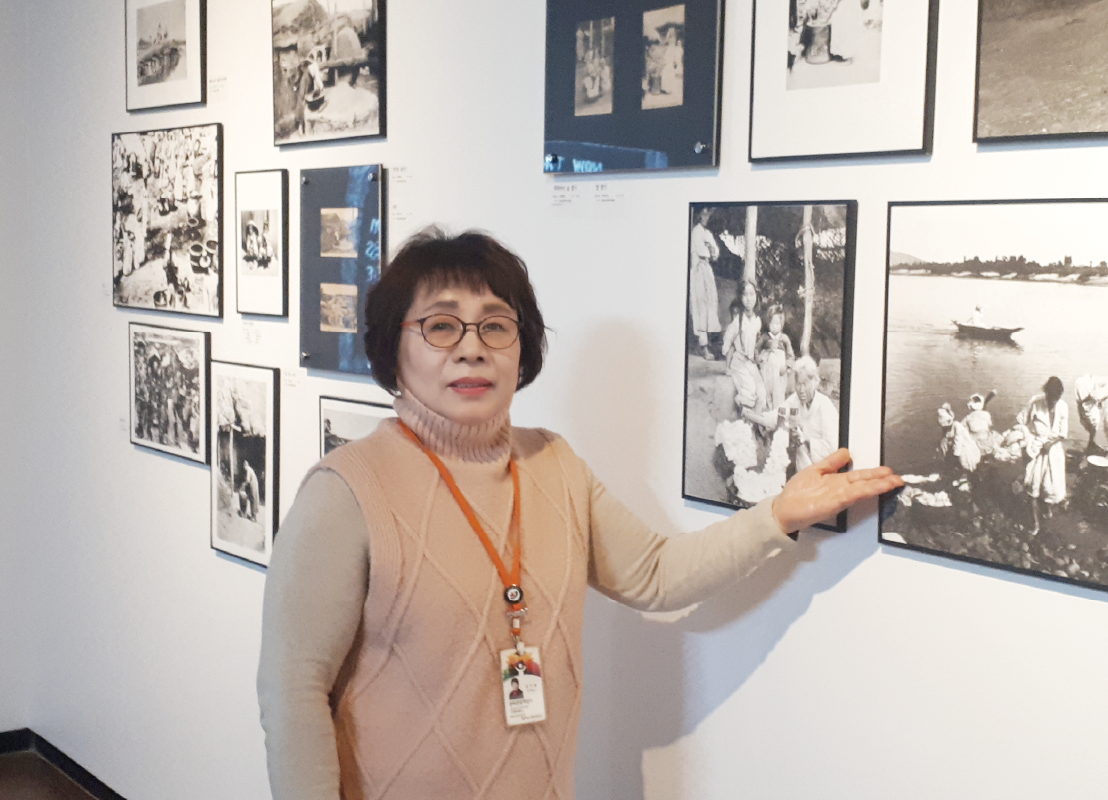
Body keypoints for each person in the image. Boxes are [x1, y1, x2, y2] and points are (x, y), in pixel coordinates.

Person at [256, 228, 902, 800]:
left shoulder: (553, 464)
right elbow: (293, 692)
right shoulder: (346, 491)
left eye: (495, 325)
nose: (472, 348)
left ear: (522, 346)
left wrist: (779, 513)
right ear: (392, 348)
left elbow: (656, 573)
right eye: (441, 325)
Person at [1017, 377, 1069, 535]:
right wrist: (1025, 439)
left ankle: (1047, 510)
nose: (1053, 401)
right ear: (1046, 393)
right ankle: (1035, 524)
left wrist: (1050, 444)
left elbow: (1062, 434)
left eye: (1056, 398)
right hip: (1036, 448)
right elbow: (1021, 421)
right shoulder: (1035, 402)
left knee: (1051, 486)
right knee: (1032, 488)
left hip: (1053, 451)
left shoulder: (1063, 407)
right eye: (1051, 397)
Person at [778, 356, 838, 471]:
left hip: (824, 471)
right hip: (802, 469)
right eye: (798, 384)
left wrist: (806, 440)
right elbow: (780, 411)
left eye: (805, 384)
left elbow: (833, 448)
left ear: (814, 382)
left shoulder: (825, 407)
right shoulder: (795, 399)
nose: (801, 390)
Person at [722, 280, 766, 414]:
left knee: (762, 392)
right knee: (749, 390)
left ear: (756, 296)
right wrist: (726, 350)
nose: (749, 299)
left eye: (752, 294)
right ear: (741, 298)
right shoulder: (738, 321)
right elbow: (728, 337)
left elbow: (757, 342)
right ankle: (745, 416)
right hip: (739, 362)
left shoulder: (757, 321)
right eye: (745, 295)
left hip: (751, 363)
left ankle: (754, 421)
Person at [689, 208, 721, 360]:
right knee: (700, 307)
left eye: (708, 215)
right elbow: (703, 251)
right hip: (698, 271)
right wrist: (709, 249)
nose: (706, 217)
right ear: (699, 215)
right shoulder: (695, 231)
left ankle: (707, 343)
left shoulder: (707, 233)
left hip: (707, 270)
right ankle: (703, 346)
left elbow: (715, 253)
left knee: (710, 306)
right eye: (704, 214)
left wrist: (711, 249)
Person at [757, 305, 795, 410]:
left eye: (777, 324)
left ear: (782, 324)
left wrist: (786, 367)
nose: (775, 327)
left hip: (779, 372)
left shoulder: (784, 339)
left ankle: (777, 412)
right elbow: (756, 349)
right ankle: (767, 410)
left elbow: (791, 356)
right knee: (765, 392)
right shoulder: (765, 337)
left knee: (778, 393)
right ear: (768, 323)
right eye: (772, 323)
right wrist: (759, 358)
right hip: (767, 370)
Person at [936, 402, 980, 474]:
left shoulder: (957, 426)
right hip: (953, 445)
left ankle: (963, 470)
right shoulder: (946, 428)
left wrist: (955, 455)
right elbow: (945, 437)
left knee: (962, 459)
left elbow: (958, 441)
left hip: (964, 446)